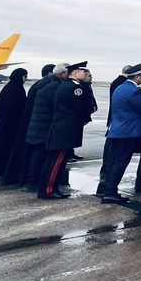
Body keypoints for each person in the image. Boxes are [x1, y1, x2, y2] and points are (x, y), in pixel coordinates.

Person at [37, 63, 93, 199]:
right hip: (65, 130)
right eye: (82, 71)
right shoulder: (74, 88)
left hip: (61, 129)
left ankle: (49, 188)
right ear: (75, 73)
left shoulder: (65, 85)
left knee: (55, 160)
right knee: (56, 162)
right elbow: (80, 109)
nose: (85, 74)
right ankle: (49, 190)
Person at [97, 63, 141, 203]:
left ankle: (109, 190)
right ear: (137, 77)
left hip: (116, 130)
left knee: (113, 161)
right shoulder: (134, 91)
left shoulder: (120, 88)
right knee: (120, 162)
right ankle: (110, 192)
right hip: (128, 132)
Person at [3, 64, 55, 185]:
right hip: (15, 125)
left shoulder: (32, 86)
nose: (26, 79)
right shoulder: (16, 89)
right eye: (24, 76)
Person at [22, 62, 69, 190]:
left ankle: (31, 181)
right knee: (39, 154)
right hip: (44, 126)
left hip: (37, 124)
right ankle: (32, 182)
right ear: (62, 73)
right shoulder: (54, 87)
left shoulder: (44, 83)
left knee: (37, 153)